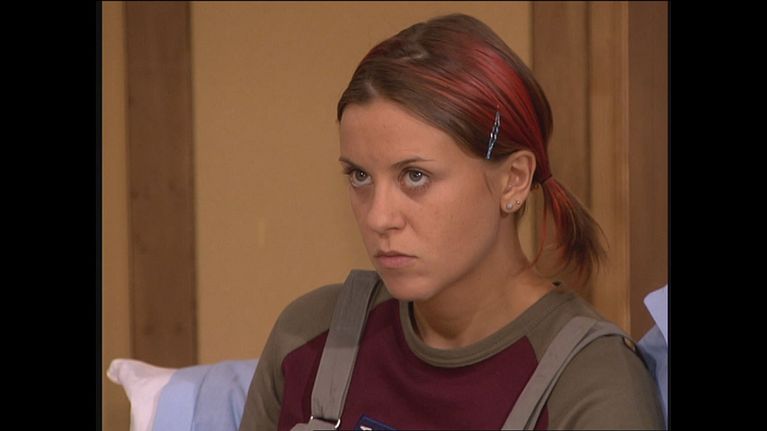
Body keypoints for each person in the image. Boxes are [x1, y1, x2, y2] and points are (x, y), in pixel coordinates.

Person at [239, 13, 664, 430]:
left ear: (514, 180)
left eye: (415, 176)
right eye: (360, 176)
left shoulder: (593, 385)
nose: (379, 217)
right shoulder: (310, 337)